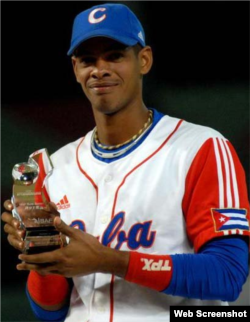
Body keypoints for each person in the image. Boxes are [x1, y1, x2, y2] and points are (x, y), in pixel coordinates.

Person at [2, 3, 250, 322]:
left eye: (115, 55)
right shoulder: (54, 169)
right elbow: (50, 311)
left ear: (144, 60)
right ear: (75, 69)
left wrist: (110, 260)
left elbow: (227, 276)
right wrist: (41, 258)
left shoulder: (200, 148)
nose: (100, 69)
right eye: (88, 59)